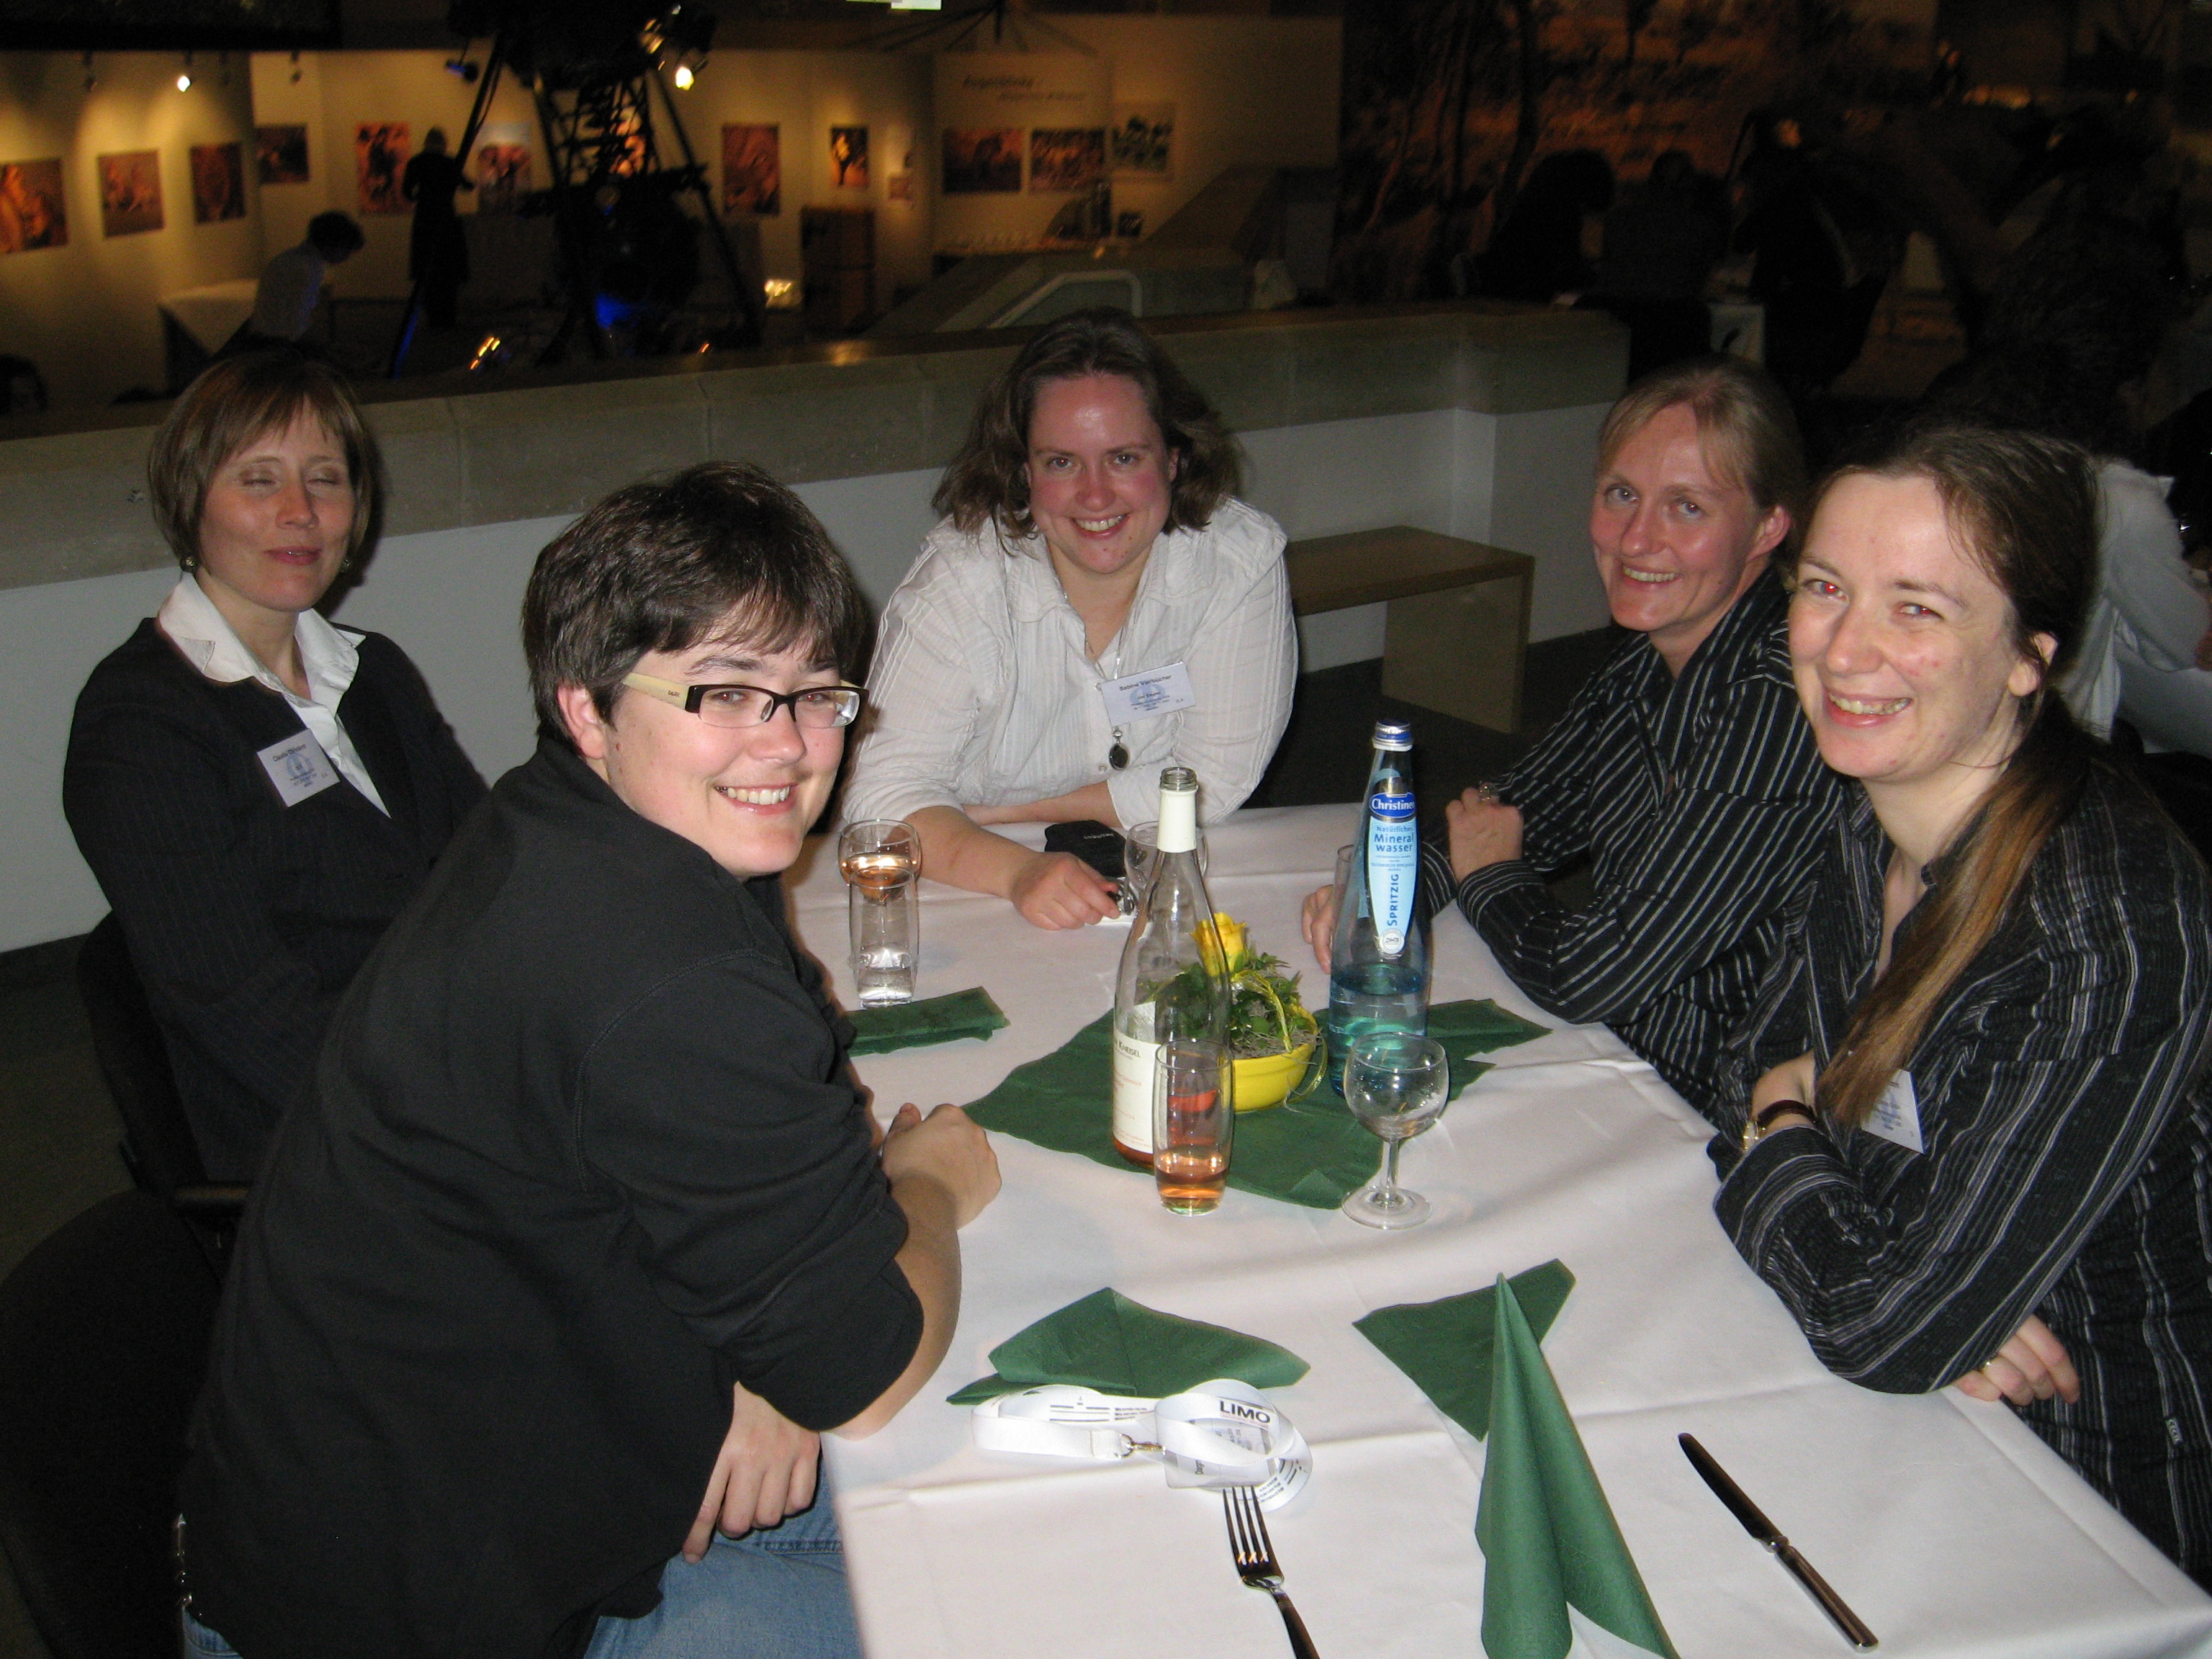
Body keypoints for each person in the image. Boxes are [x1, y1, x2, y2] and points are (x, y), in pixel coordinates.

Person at [176, 462, 1002, 1658]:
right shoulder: (658, 970)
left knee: (997, 1523)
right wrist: (929, 1187)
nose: (786, 746)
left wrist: (766, 1352)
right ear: (589, 709)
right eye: (725, 691)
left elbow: (802, 1076)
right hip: (421, 1613)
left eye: (816, 693)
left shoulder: (592, 823)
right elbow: (863, 1375)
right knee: (1007, 1595)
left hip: (448, 1485)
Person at [1709, 418, 2212, 1588]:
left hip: (2095, 1480)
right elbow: (1744, 1056)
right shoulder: (1876, 805)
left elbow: (1878, 1319)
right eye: (1825, 587)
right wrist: (1917, 1282)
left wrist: (1782, 1132)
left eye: (1918, 608)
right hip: (1905, 1389)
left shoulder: (2101, 927)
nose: (1845, 648)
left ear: (2030, 655)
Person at [1302, 356, 1843, 1107]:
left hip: (1723, 1107)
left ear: (1768, 526)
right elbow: (1512, 810)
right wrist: (1384, 895)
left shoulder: (1779, 708)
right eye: (1622, 494)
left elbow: (1590, 974)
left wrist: (1489, 875)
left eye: (1687, 507)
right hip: (1629, 1050)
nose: (1637, 539)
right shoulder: (1644, 666)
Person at [63, 351, 484, 1182]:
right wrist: (466, 1119)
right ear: (190, 501)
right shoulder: (141, 727)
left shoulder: (374, 672)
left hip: (455, 1062)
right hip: (329, 1144)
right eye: (259, 481)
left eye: (325, 479)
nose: (301, 512)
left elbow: (485, 871)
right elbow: (246, 1014)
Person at [842, 307, 1296, 930]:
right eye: (1062, 462)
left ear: (1172, 459)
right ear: (1024, 472)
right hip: (968, 881)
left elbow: (1216, 779)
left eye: (1124, 458)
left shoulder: (1236, 561)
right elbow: (880, 801)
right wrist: (1017, 869)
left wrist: (1006, 811)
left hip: (1154, 872)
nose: (1096, 495)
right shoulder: (960, 583)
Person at [242, 210, 364, 348]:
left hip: (262, 338)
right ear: (333, 245)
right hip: (275, 345)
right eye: (347, 250)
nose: (347, 257)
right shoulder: (307, 269)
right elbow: (295, 325)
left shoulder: (289, 258)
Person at [403, 127, 474, 328]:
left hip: (425, 220)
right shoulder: (449, 162)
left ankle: (433, 317)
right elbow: (468, 186)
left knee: (427, 270)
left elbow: (407, 192)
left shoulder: (416, 162)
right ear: (443, 143)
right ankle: (448, 317)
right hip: (446, 219)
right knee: (449, 270)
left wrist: (421, 195)